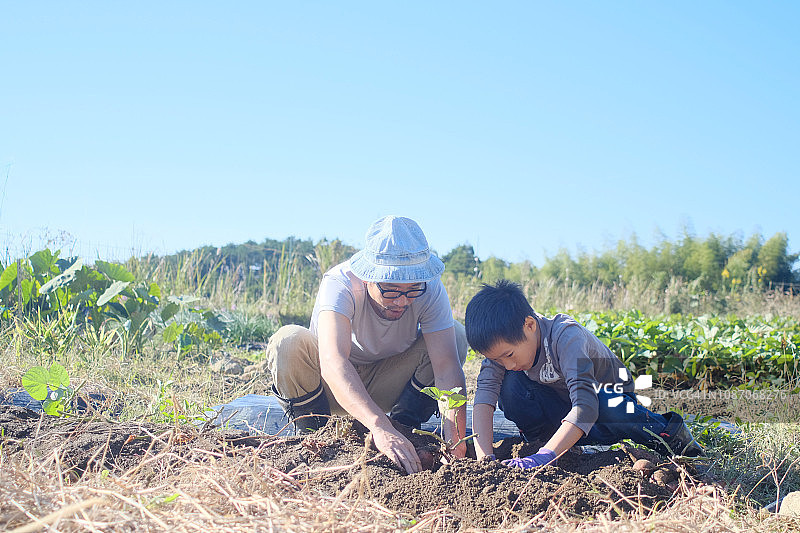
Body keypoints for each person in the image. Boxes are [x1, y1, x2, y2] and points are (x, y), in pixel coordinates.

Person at [266, 215, 468, 474]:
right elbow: (333, 362)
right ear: (367, 278)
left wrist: (455, 439)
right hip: (329, 388)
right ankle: (315, 436)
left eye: (412, 290)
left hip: (389, 383)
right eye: (392, 291)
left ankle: (404, 428)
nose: (402, 301)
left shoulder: (429, 290)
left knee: (457, 336)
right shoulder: (340, 284)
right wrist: (379, 426)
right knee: (288, 340)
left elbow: (447, 367)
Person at [465, 280, 703, 468]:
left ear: (530, 325)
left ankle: (675, 439)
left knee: (611, 405)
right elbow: (484, 400)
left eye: (508, 355)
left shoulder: (566, 337)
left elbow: (587, 405)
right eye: (497, 359)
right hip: (563, 415)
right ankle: (549, 444)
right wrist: (486, 459)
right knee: (511, 387)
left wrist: (543, 458)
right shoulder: (503, 351)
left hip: (606, 408)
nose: (505, 364)